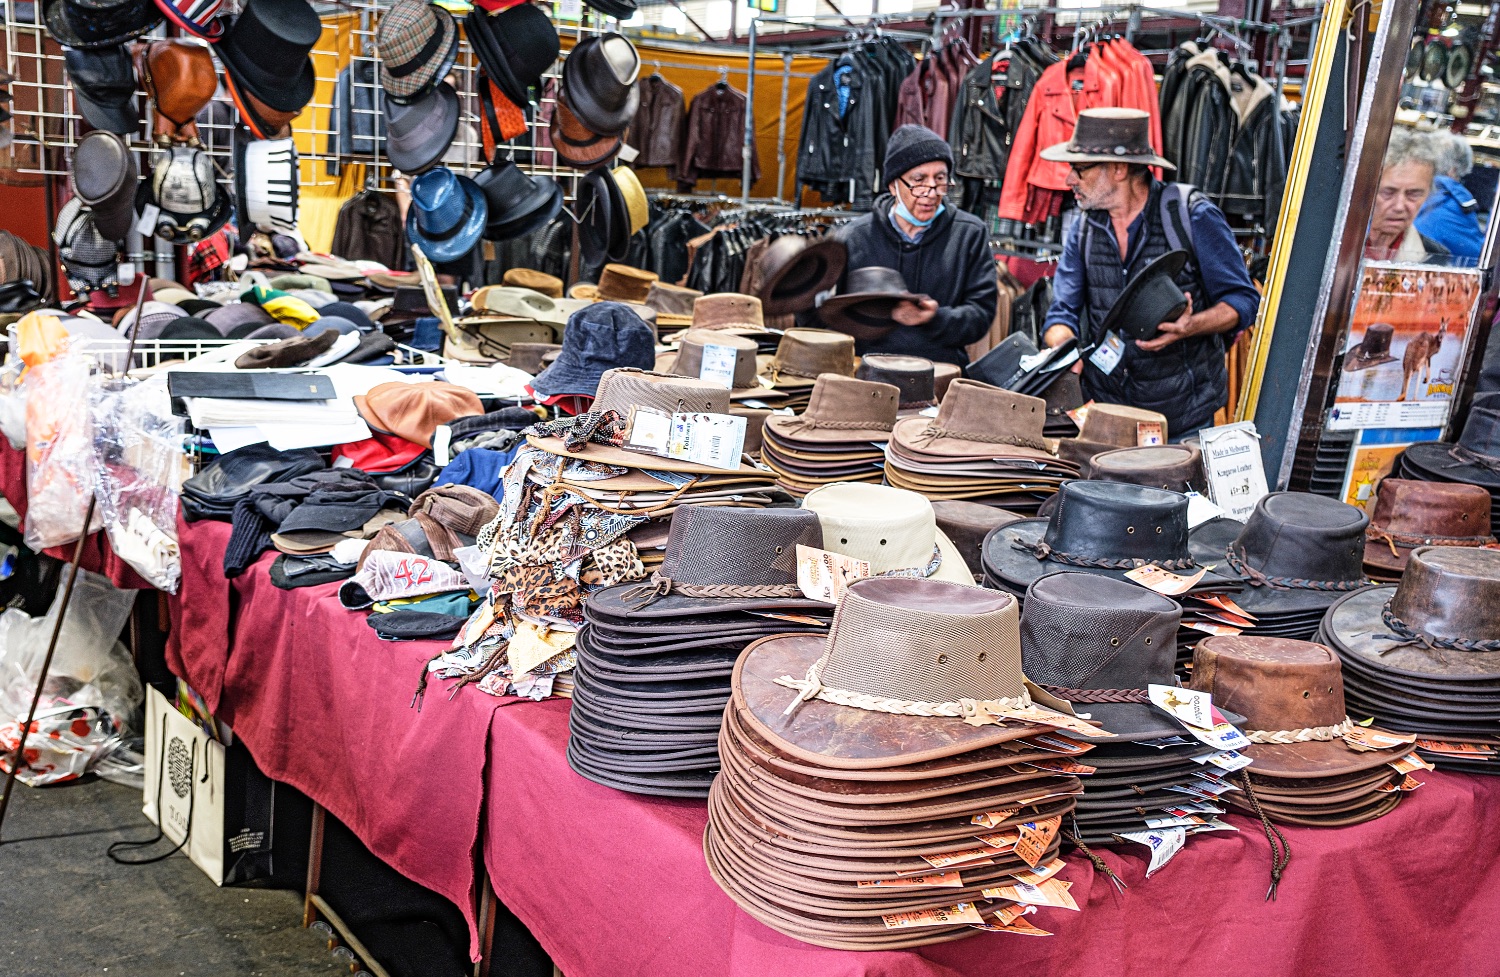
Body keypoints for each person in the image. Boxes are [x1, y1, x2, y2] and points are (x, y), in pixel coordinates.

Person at [1039, 109, 1261, 438]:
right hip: (1107, 412)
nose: (1070, 179)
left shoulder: (1191, 215)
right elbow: (1063, 310)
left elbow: (1243, 300)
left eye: (1080, 169)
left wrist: (1190, 326)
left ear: (1118, 169)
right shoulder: (1085, 227)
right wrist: (1065, 350)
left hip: (1182, 419)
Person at [807, 124, 997, 366]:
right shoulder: (854, 237)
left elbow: (981, 315)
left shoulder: (969, 233)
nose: (931, 192)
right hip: (866, 369)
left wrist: (935, 318)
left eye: (940, 180)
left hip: (939, 373)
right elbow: (825, 317)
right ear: (893, 186)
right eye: (919, 181)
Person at [1365, 128, 1449, 262]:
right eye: (1388, 192)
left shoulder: (1435, 258)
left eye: (1414, 194)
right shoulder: (1328, 243)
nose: (1399, 206)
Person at [1415, 129, 1485, 261]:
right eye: (1460, 175)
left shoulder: (1410, 193)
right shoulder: (1455, 204)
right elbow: (1478, 258)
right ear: (1452, 171)